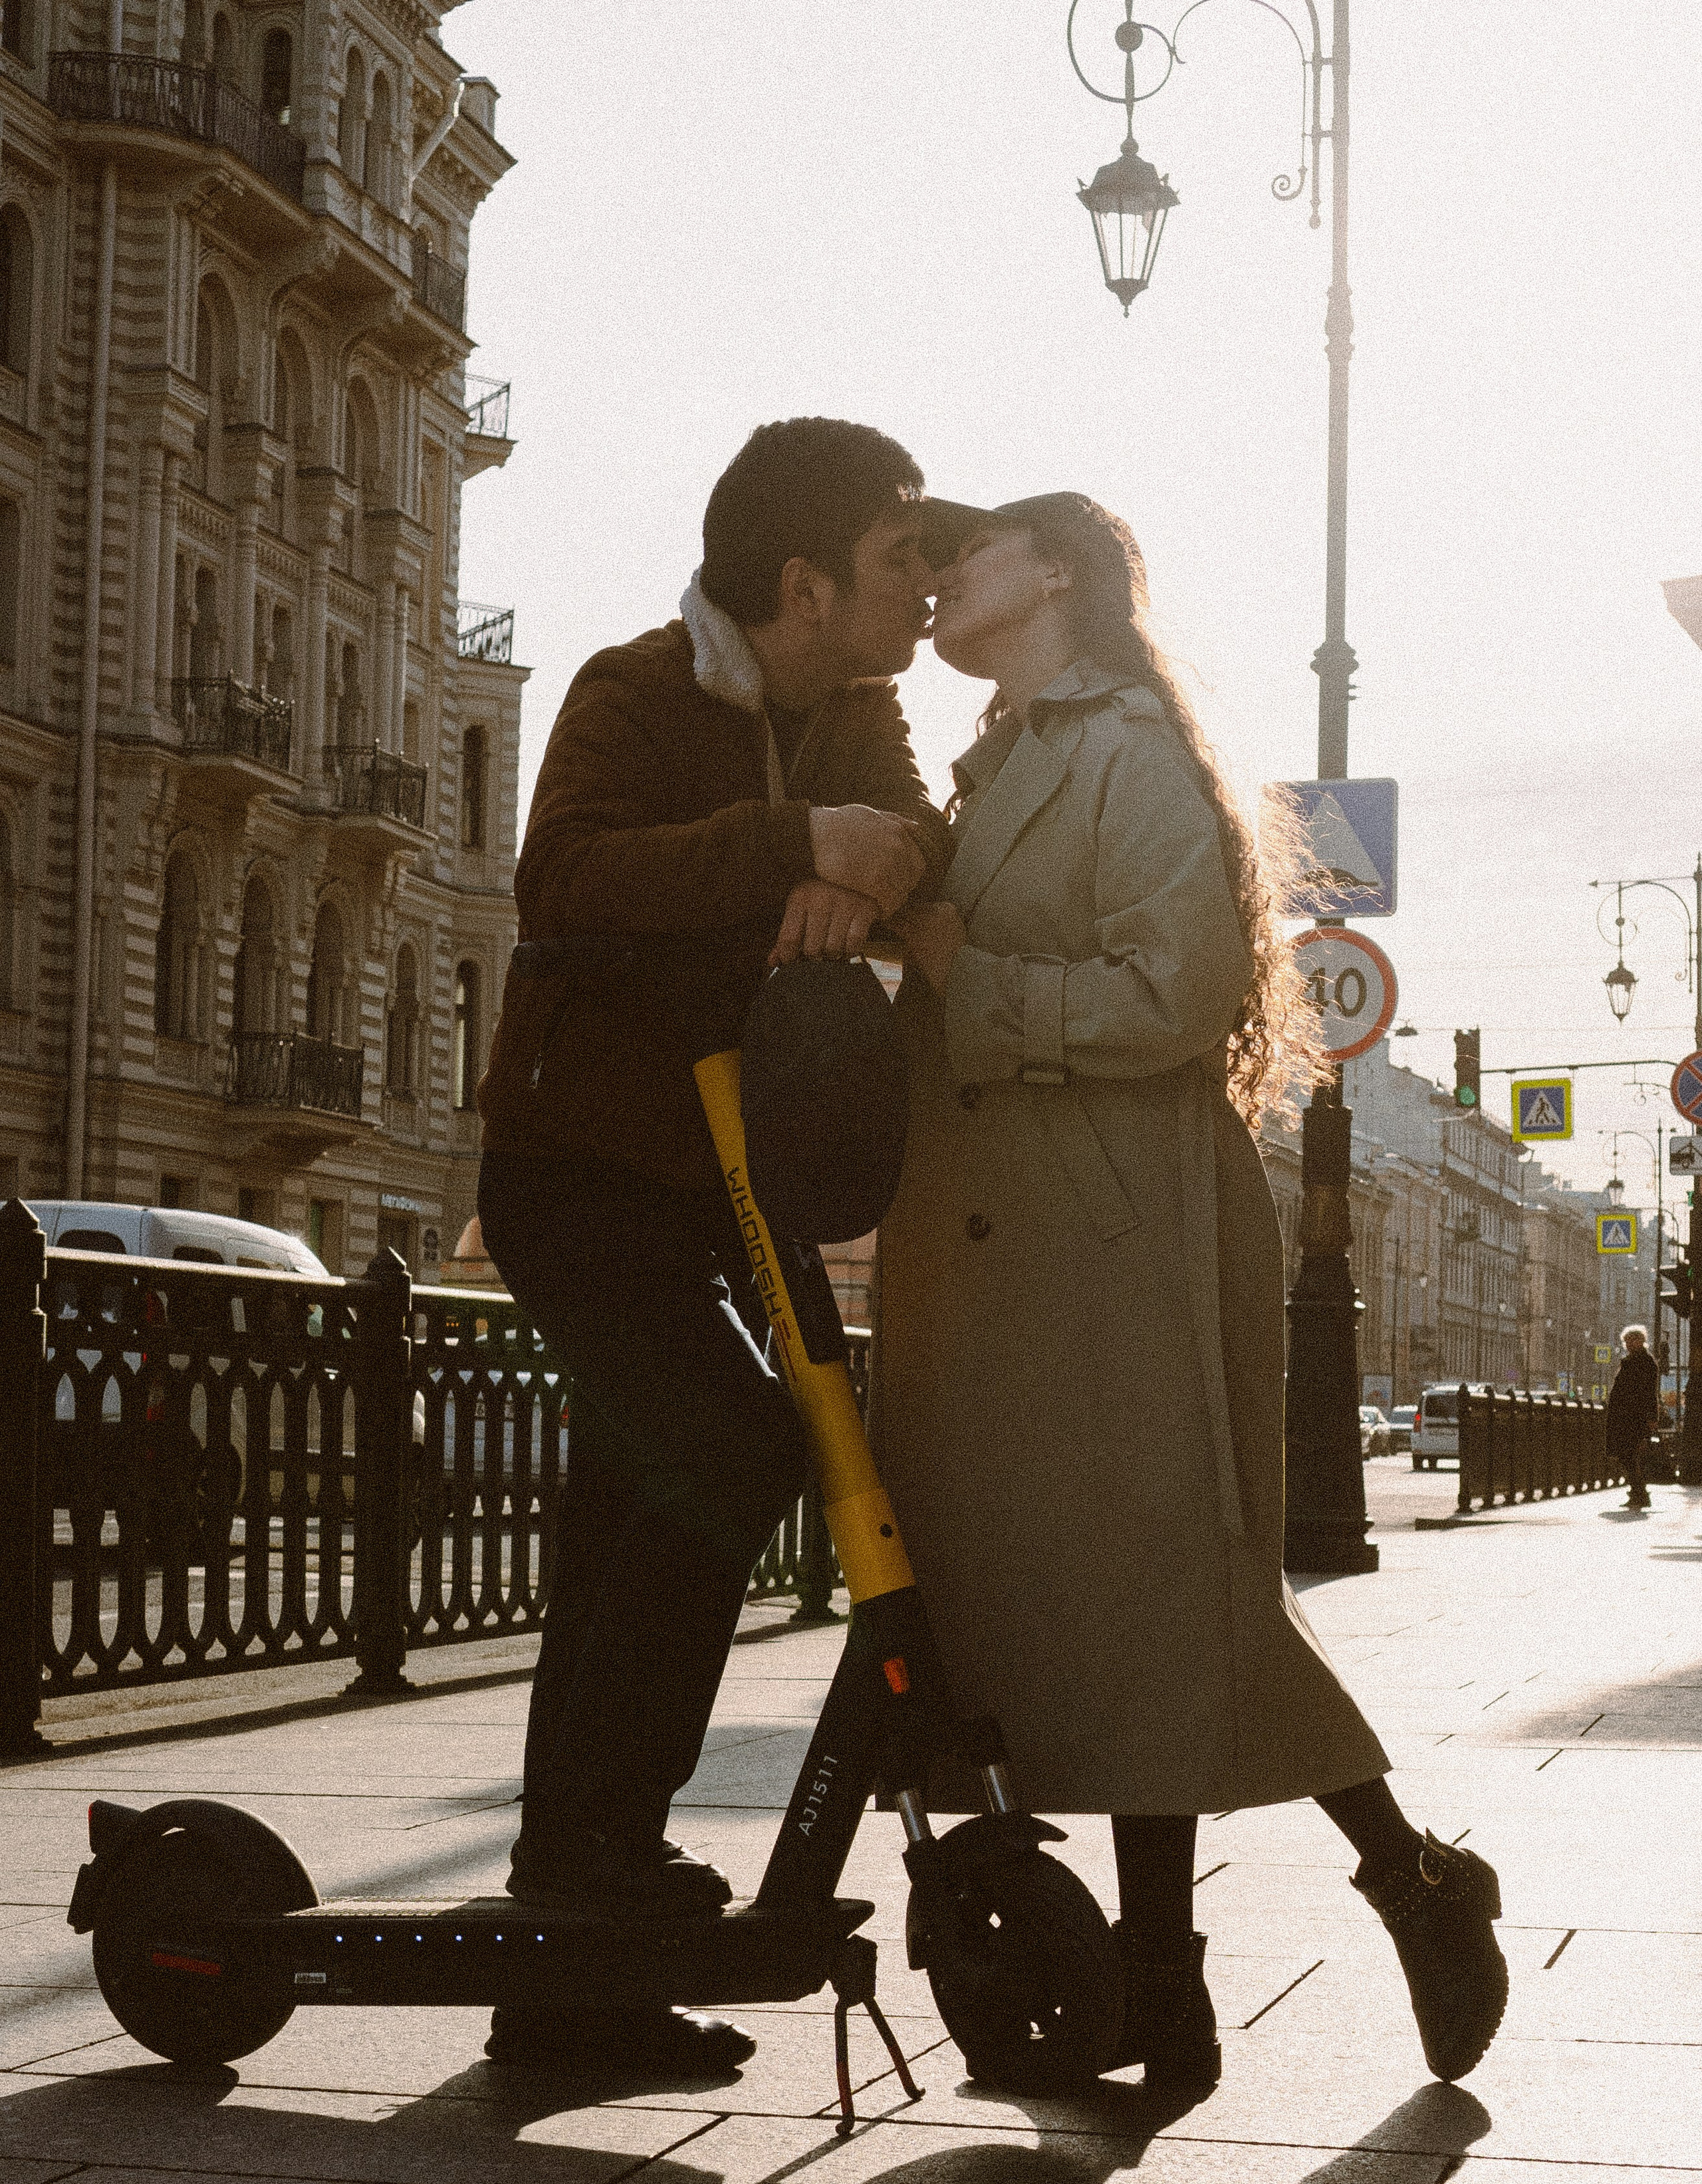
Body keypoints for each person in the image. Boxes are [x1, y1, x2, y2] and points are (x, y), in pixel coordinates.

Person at [876, 491, 1509, 2092]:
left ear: (1060, 574)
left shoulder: (1126, 747)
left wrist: (968, 976)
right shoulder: (1004, 750)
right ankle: (1198, 1967)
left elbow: (1180, 991)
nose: (943, 576)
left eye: (974, 552)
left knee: (1169, 1602)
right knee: (1100, 1624)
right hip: (1011, 1240)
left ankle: (1382, 1894)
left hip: (1118, 1232)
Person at [475, 418, 957, 2073]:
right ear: (802, 583)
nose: (929, 582)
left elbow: (914, 846)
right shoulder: (631, 690)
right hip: (575, 1171)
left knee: (625, 1514)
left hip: (710, 1180)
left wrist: (852, 869)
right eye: (902, 555)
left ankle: (565, 1960)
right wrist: (793, 850)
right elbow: (569, 874)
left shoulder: (860, 709)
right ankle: (592, 1866)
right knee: (720, 1442)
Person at [1606, 1324, 1660, 1510]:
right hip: (1625, 1416)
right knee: (1627, 1455)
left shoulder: (1644, 1362)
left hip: (1634, 1417)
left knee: (1629, 1455)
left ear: (1641, 1341)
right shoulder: (1633, 1360)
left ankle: (1640, 1493)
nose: (1629, 1343)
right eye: (1626, 1340)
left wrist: (1652, 1417)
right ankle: (1637, 1493)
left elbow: (1649, 1392)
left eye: (1632, 1340)